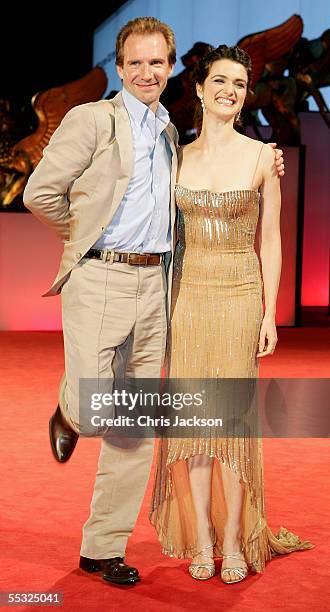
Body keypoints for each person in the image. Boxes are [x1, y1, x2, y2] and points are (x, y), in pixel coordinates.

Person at [23, 18, 285, 587]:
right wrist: (84, 235)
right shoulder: (92, 119)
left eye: (156, 63)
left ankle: (103, 547)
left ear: (171, 70)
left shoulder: (171, 134)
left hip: (159, 288)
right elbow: (39, 193)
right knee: (96, 407)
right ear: (120, 68)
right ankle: (69, 410)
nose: (146, 72)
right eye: (135, 63)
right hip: (102, 279)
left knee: (135, 427)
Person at [149, 45, 313, 584]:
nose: (230, 91)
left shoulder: (264, 156)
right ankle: (201, 539)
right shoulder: (176, 156)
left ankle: (238, 539)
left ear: (244, 96)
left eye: (239, 84)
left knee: (236, 425)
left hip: (240, 295)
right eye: (220, 81)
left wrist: (270, 312)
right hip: (188, 298)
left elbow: (272, 240)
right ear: (198, 89)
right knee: (197, 425)